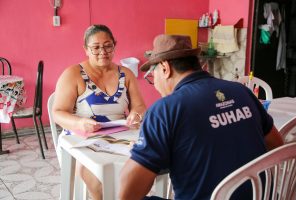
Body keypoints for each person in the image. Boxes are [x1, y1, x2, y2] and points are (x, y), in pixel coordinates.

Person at [119, 34, 284, 200]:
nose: (154, 84)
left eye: (152, 77)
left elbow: (127, 194)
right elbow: (277, 144)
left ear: (164, 68)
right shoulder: (242, 91)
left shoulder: (165, 109)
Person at [52, 24, 146, 200]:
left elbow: (139, 106)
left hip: (120, 137)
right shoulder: (73, 74)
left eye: (108, 45)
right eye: (95, 47)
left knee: (144, 165)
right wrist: (79, 123)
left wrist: (136, 115)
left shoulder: (126, 74)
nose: (103, 51)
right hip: (82, 139)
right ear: (86, 50)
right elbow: (58, 112)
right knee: (94, 175)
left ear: (114, 45)